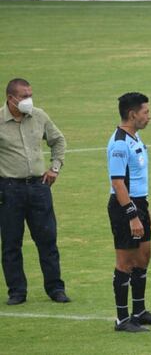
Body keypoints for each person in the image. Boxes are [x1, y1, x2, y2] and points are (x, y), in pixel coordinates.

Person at [0, 78, 69, 305]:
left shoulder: (39, 116)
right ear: (11, 98)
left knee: (48, 240)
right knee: (11, 243)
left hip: (39, 187)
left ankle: (55, 288)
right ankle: (17, 292)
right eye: (24, 95)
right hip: (9, 190)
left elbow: (58, 140)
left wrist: (55, 167)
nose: (29, 99)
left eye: (30, 94)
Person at [107, 92, 151, 332]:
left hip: (140, 204)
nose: (149, 117)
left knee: (144, 257)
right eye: (146, 112)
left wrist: (142, 211)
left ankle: (139, 311)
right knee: (125, 263)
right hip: (125, 207)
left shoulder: (136, 137)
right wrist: (132, 214)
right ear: (132, 114)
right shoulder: (120, 143)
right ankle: (122, 319)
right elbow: (118, 183)